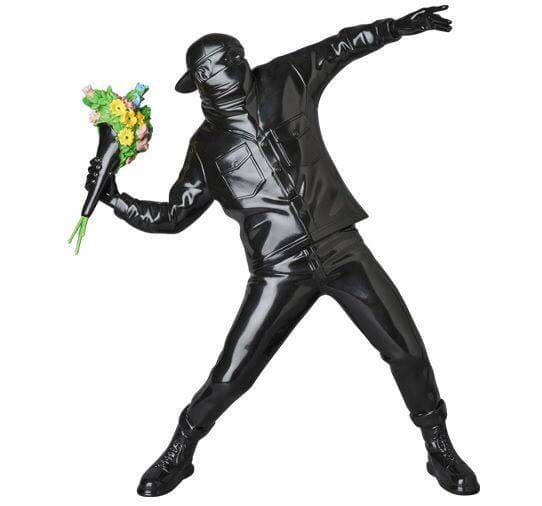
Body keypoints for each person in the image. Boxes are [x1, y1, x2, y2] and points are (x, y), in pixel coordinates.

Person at [86, 5, 479, 497]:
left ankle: (438, 446)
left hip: (340, 247)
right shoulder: (205, 148)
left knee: (406, 349)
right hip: (278, 269)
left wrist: (397, 28)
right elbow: (174, 216)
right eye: (204, 76)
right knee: (231, 375)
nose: (213, 81)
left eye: (217, 68)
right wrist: (115, 199)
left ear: (238, 61)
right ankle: (181, 449)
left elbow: (343, 45)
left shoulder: (286, 78)